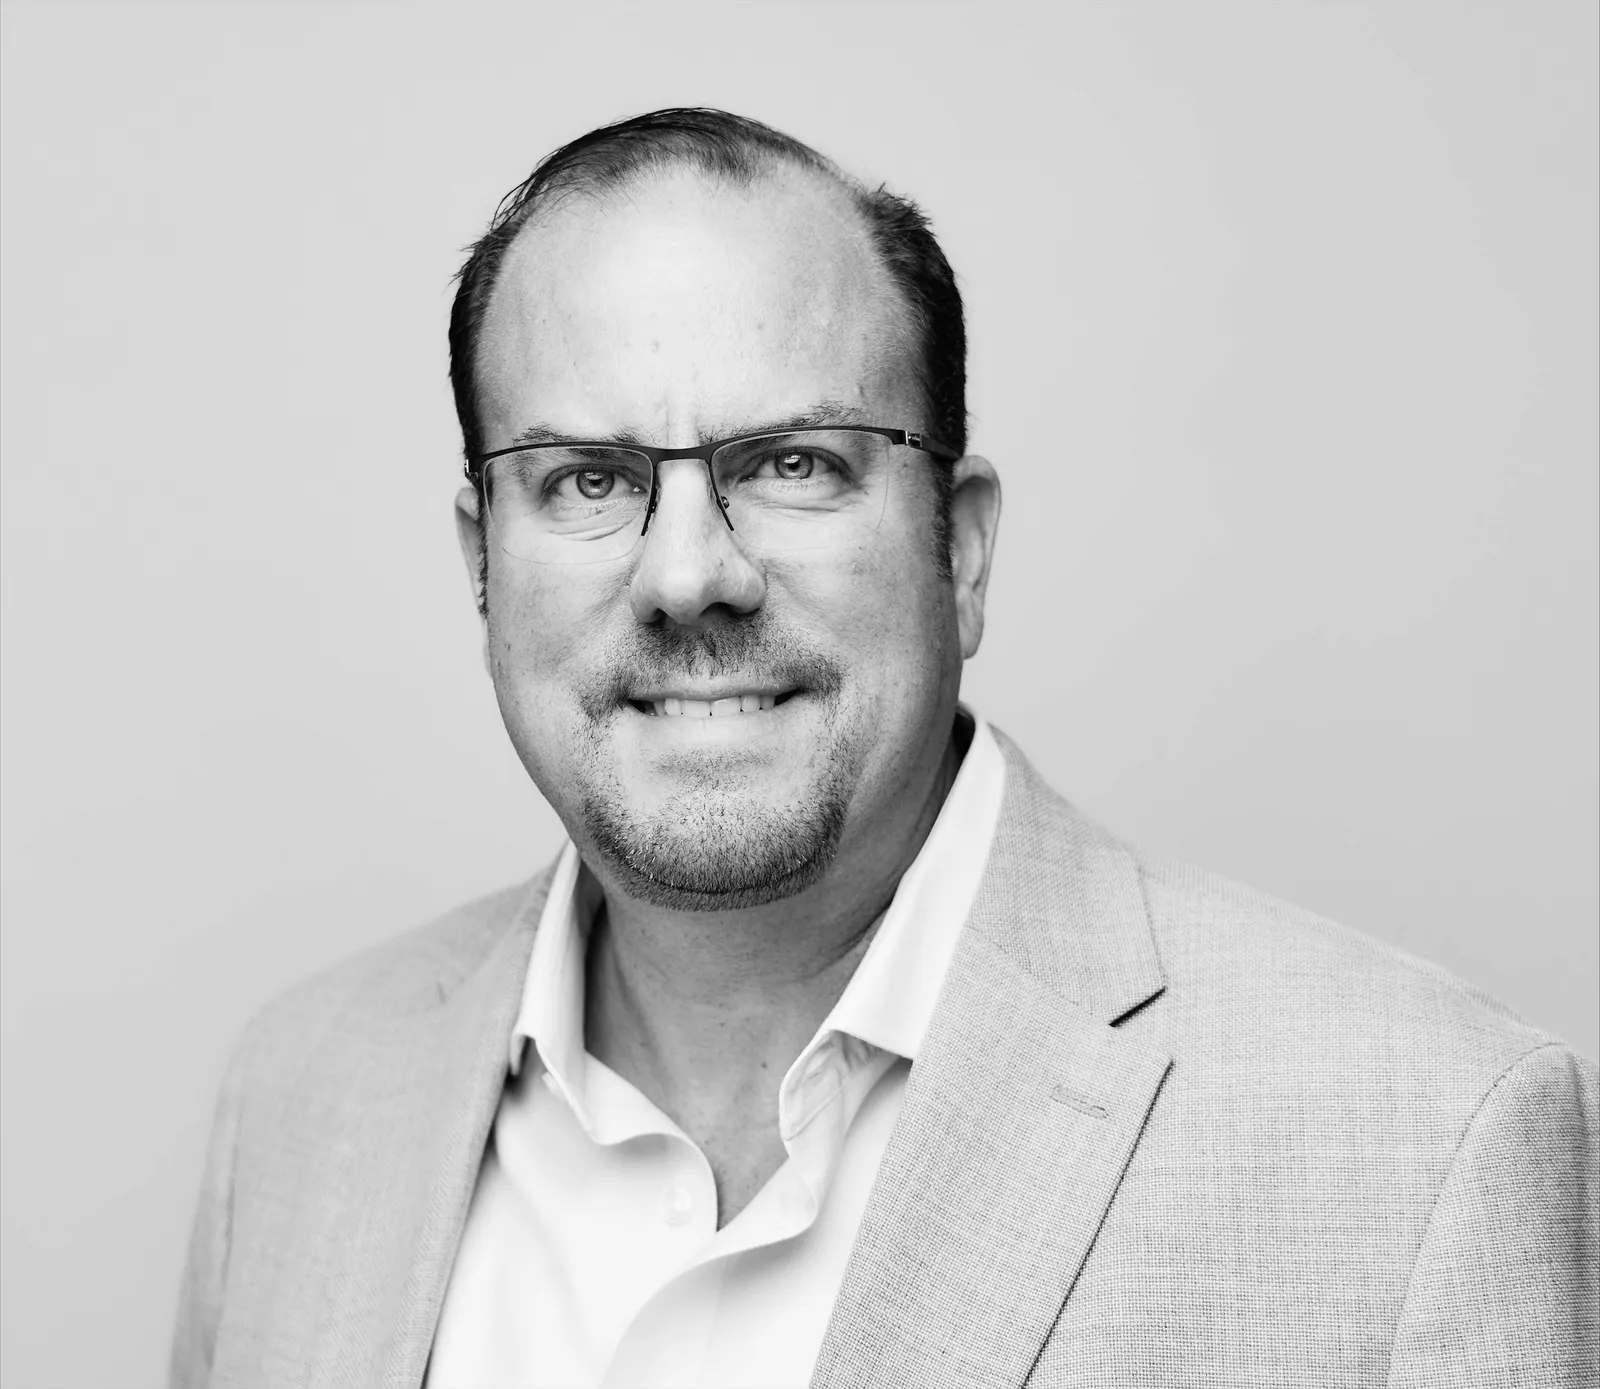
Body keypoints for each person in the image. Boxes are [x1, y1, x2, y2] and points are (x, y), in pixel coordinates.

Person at [170, 109, 1597, 1389]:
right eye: (586, 481)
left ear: (960, 552)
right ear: (485, 565)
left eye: (794, 464)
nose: (687, 576)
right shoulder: (305, 1094)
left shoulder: (1427, 1144)